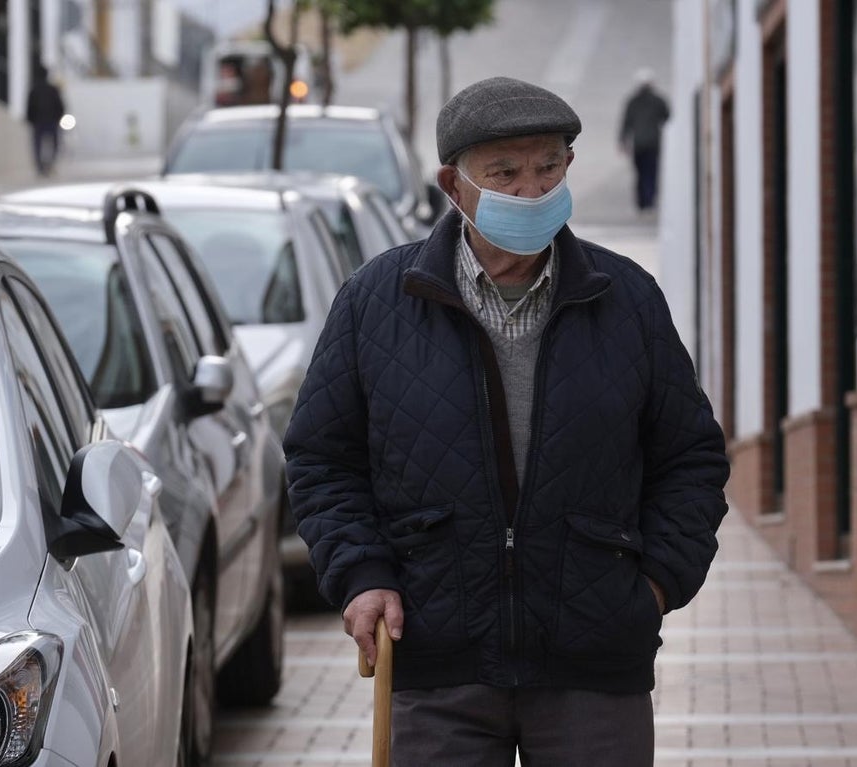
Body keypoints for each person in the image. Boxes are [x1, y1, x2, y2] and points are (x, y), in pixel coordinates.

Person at [284, 76, 730, 765]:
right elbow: (322, 457)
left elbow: (690, 457)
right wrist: (363, 571)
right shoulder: (377, 302)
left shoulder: (627, 299)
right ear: (453, 187)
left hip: (594, 665)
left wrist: (653, 586)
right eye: (506, 173)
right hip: (436, 659)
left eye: (548, 167)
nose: (532, 190)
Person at [619, 68, 670, 211]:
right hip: (653, 143)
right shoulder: (658, 101)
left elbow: (626, 123)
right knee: (651, 173)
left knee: (640, 173)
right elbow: (668, 118)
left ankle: (642, 202)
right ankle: (649, 201)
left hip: (639, 144)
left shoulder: (633, 101)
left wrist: (622, 141)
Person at [26, 65, 65, 177]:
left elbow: (29, 107)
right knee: (54, 144)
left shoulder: (34, 89)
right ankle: (50, 164)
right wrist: (58, 118)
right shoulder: (52, 89)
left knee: (37, 145)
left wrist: (31, 119)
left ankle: (40, 167)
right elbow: (60, 106)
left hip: (39, 122)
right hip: (51, 121)